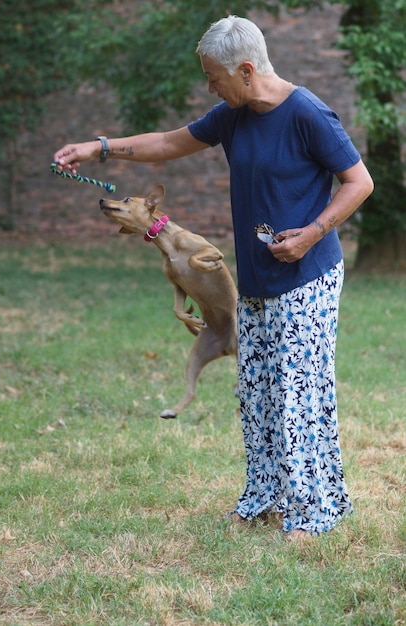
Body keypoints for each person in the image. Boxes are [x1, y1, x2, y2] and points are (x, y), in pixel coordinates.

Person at [54, 15, 374, 541]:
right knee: (258, 393)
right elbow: (168, 142)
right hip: (255, 280)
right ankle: (264, 499)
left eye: (214, 77)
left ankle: (315, 513)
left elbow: (359, 182)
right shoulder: (234, 115)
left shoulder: (308, 113)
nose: (210, 87)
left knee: (297, 395)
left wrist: (312, 234)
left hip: (308, 275)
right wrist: (100, 148)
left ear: (246, 70)